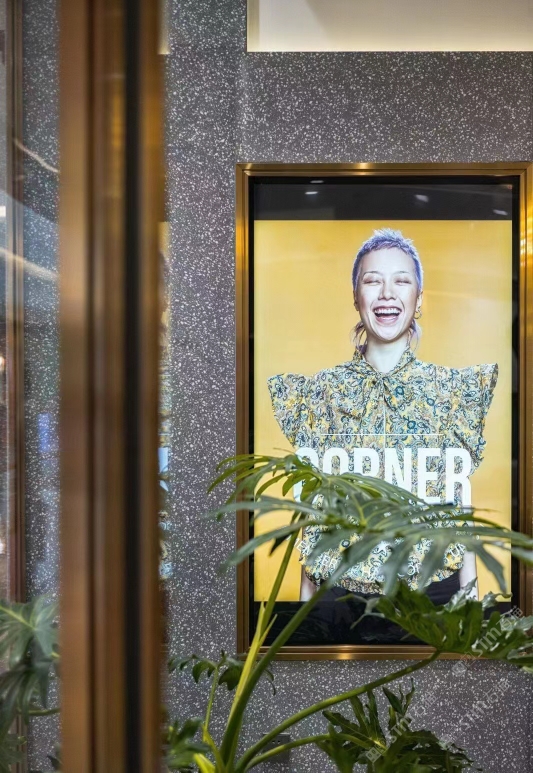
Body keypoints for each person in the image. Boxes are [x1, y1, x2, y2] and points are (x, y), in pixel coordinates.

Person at [268, 228, 498, 608]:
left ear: (418, 299)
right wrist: (307, 615)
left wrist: (469, 602)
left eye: (401, 281)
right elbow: (316, 516)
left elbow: (460, 508)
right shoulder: (321, 394)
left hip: (431, 598)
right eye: (373, 280)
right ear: (356, 296)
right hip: (340, 596)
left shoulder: (452, 392)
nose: (387, 293)